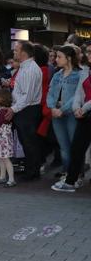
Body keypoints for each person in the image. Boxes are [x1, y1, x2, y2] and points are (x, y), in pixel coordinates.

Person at [3, 41, 44, 181]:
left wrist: (13, 109)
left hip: (28, 110)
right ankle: (30, 168)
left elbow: (27, 96)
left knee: (29, 141)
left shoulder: (31, 69)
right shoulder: (24, 67)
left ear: (24, 53)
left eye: (16, 51)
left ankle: (33, 171)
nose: (14, 53)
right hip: (23, 108)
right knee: (25, 141)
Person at [52, 62, 91, 192]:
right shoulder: (86, 70)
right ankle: (70, 182)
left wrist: (83, 108)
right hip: (83, 114)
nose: (89, 54)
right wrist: (76, 107)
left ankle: (72, 180)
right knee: (77, 148)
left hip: (85, 111)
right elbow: (79, 92)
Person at [46, 45, 81, 176]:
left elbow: (78, 95)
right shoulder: (56, 75)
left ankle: (76, 174)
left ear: (69, 58)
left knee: (75, 145)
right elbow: (50, 93)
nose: (56, 59)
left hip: (72, 113)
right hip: (56, 113)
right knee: (63, 147)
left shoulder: (79, 75)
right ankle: (67, 173)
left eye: (59, 57)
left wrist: (63, 109)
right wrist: (53, 108)